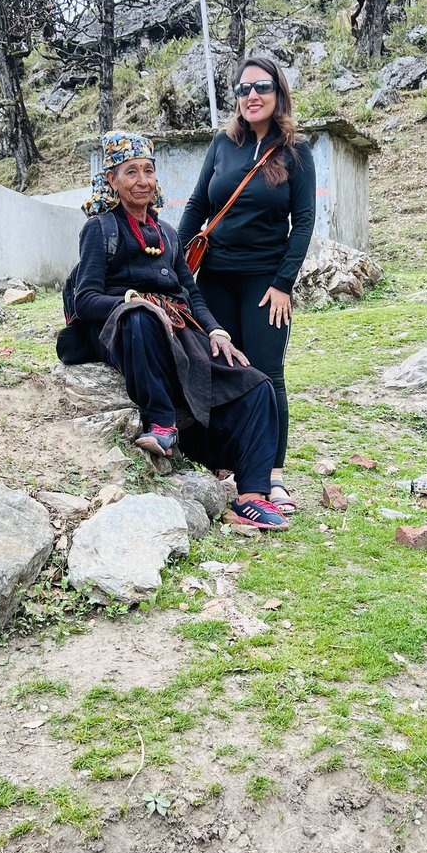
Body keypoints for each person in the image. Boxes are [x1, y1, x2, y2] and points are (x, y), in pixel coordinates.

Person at [60, 129, 289, 531]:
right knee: (142, 318)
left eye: (148, 170)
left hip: (178, 330)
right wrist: (135, 302)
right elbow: (85, 299)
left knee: (257, 384)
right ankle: (161, 424)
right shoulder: (99, 230)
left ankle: (251, 496)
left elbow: (191, 292)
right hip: (125, 329)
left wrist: (217, 332)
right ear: (111, 180)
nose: (143, 180)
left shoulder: (167, 233)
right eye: (131, 172)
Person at [177, 57, 315, 516]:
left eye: (262, 87)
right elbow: (198, 204)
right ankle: (225, 462)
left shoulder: (297, 152)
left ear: (278, 93)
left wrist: (283, 283)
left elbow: (304, 222)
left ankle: (271, 477)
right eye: (242, 89)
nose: (251, 96)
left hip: (264, 284)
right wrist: (174, 266)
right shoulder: (222, 145)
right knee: (220, 368)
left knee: (267, 374)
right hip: (214, 277)